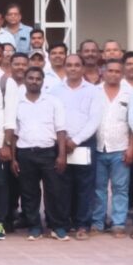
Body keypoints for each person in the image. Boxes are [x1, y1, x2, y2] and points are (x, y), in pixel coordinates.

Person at [7, 67, 68, 240]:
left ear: (42, 81)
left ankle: (57, 226)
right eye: (31, 78)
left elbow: (61, 130)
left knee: (54, 192)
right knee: (29, 193)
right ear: (25, 80)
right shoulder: (17, 104)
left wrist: (62, 155)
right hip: (25, 153)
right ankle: (34, 227)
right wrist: (13, 159)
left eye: (38, 78)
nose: (34, 81)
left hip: (48, 152)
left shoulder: (53, 102)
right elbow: (14, 133)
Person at [48, 54, 104, 240]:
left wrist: (76, 140)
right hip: (61, 144)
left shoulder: (93, 91)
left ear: (83, 68)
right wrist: (64, 142)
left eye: (77, 65)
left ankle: (82, 225)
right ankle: (63, 224)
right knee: (62, 185)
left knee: (84, 186)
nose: (73, 68)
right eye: (69, 65)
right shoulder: (55, 91)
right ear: (65, 67)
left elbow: (94, 119)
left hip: (83, 144)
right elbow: (51, 117)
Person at [91, 60, 131, 237]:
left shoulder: (129, 94)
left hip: (120, 148)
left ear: (122, 74)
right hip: (98, 148)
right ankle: (97, 222)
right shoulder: (94, 92)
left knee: (120, 188)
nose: (114, 74)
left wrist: (131, 148)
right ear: (103, 72)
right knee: (98, 188)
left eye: (117, 71)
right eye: (110, 71)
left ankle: (118, 224)